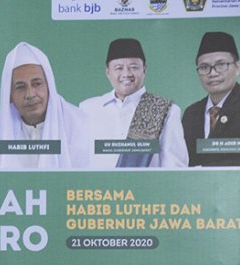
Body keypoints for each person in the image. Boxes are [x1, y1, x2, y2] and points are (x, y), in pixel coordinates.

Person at [0, 42, 90, 169]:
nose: (30, 94)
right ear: (10, 95)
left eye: (37, 84)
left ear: (49, 86)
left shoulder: (81, 127)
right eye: (20, 87)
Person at [79, 38, 188, 169]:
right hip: (97, 188)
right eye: (118, 68)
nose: (126, 74)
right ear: (108, 72)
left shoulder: (165, 110)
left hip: (148, 188)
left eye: (133, 67)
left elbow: (174, 166)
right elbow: (78, 159)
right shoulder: (88, 108)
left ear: (144, 69)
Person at [181, 32, 240, 166]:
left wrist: (201, 170)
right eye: (204, 67)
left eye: (221, 65)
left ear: (237, 67)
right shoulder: (191, 113)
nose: (213, 73)